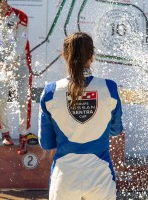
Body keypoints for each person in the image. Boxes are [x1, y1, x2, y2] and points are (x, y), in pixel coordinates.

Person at [38, 32, 123, 200]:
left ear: (64, 56)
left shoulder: (50, 92)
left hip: (64, 177)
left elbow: (46, 143)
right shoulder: (110, 89)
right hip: (101, 175)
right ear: (92, 57)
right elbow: (116, 130)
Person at [0, 0, 38, 155]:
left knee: (23, 99)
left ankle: (23, 134)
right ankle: (5, 133)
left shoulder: (20, 16)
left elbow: (21, 43)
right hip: (0, 66)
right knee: (1, 100)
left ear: (4, 2)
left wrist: (9, 62)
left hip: (20, 63)